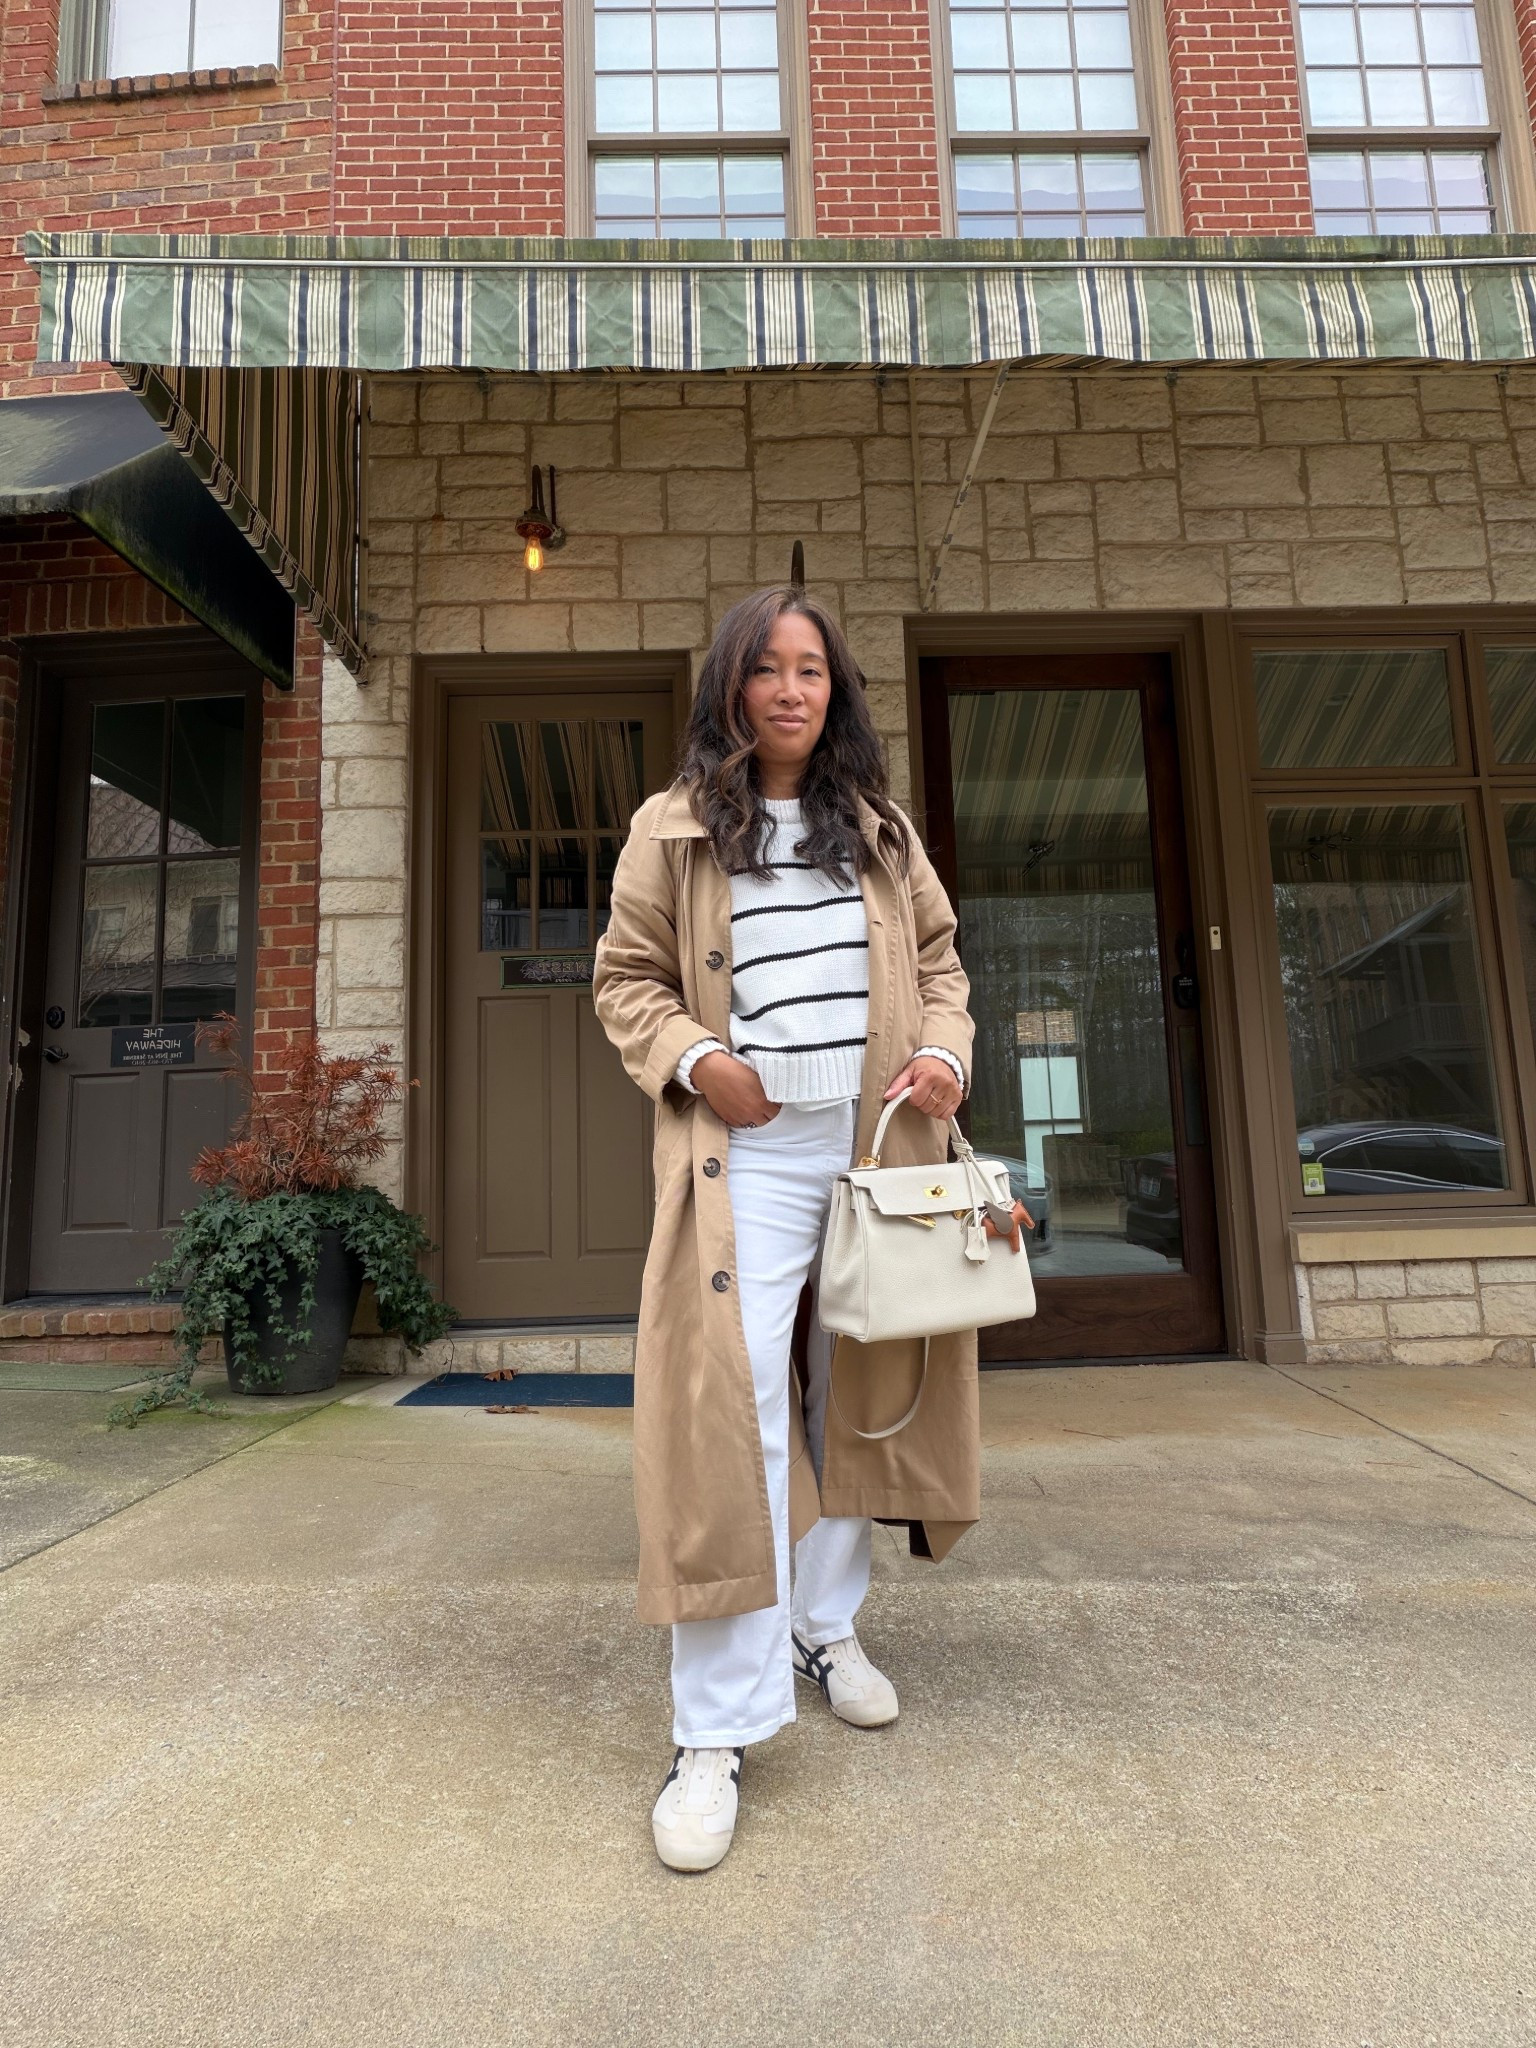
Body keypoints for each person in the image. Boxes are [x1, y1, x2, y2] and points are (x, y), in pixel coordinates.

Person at [592, 585, 978, 1873]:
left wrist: (944, 1056)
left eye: (814, 669)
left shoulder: (877, 826)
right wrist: (701, 1060)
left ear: (838, 691)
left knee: (858, 1391)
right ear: (731, 689)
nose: (793, 690)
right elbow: (626, 981)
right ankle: (716, 1727)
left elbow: (939, 963)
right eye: (769, 669)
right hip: (744, 1150)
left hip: (873, 1145)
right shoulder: (672, 828)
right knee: (732, 1411)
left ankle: (828, 1626)